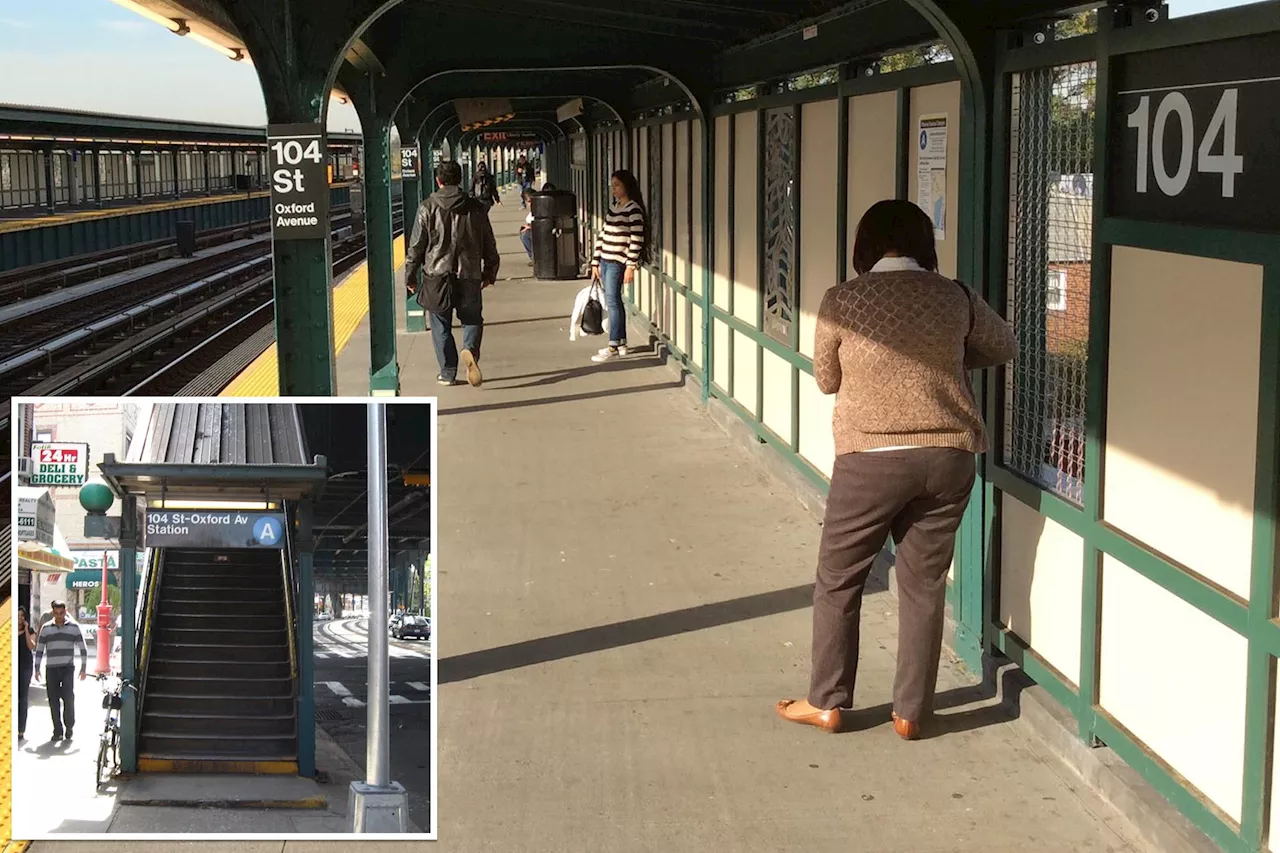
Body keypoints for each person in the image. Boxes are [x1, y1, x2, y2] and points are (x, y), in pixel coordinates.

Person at [776, 199, 1015, 739]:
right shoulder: (954, 296)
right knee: (924, 583)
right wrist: (946, 361)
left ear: (864, 245)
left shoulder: (842, 300)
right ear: (924, 244)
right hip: (949, 457)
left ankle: (829, 701)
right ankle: (910, 712)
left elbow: (825, 377)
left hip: (871, 460)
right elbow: (1003, 345)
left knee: (840, 579)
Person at [404, 160, 500, 387]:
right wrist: (490, 271)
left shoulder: (427, 207)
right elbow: (489, 243)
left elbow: (416, 246)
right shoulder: (476, 208)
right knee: (472, 319)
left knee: (440, 324)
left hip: (436, 276)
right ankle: (469, 349)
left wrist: (410, 275)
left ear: (438, 181)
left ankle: (447, 372)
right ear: (460, 179)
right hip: (469, 274)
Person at [588, 169, 649, 363]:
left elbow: (636, 239)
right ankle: (621, 342)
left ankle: (613, 344)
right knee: (614, 301)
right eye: (612, 185)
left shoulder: (634, 209)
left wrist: (631, 266)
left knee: (613, 301)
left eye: (617, 185)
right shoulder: (614, 207)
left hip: (617, 262)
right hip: (605, 259)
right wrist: (595, 261)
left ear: (626, 186)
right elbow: (603, 234)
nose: (613, 189)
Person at [33, 600, 89, 741]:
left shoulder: (74, 627)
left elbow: (83, 648)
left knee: (68, 698)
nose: (59, 616)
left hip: (67, 668)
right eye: (56, 613)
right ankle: (57, 730)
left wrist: (83, 668)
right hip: (51, 668)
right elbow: (39, 649)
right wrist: (37, 668)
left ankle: (69, 725)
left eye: (61, 613)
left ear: (65, 611)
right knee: (53, 700)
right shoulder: (46, 628)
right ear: (52, 612)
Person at [17, 606, 36, 743]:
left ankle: (21, 730)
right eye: (17, 616)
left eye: (22, 615)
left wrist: (25, 631)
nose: (20, 618)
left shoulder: (30, 631)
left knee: (23, 698)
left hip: (25, 667)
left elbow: (31, 646)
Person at [519, 187, 536, 266]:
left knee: (525, 235)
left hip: (537, 230)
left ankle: (534, 257)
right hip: (534, 228)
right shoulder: (534, 208)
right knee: (523, 233)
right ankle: (533, 256)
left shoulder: (538, 208)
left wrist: (529, 226)